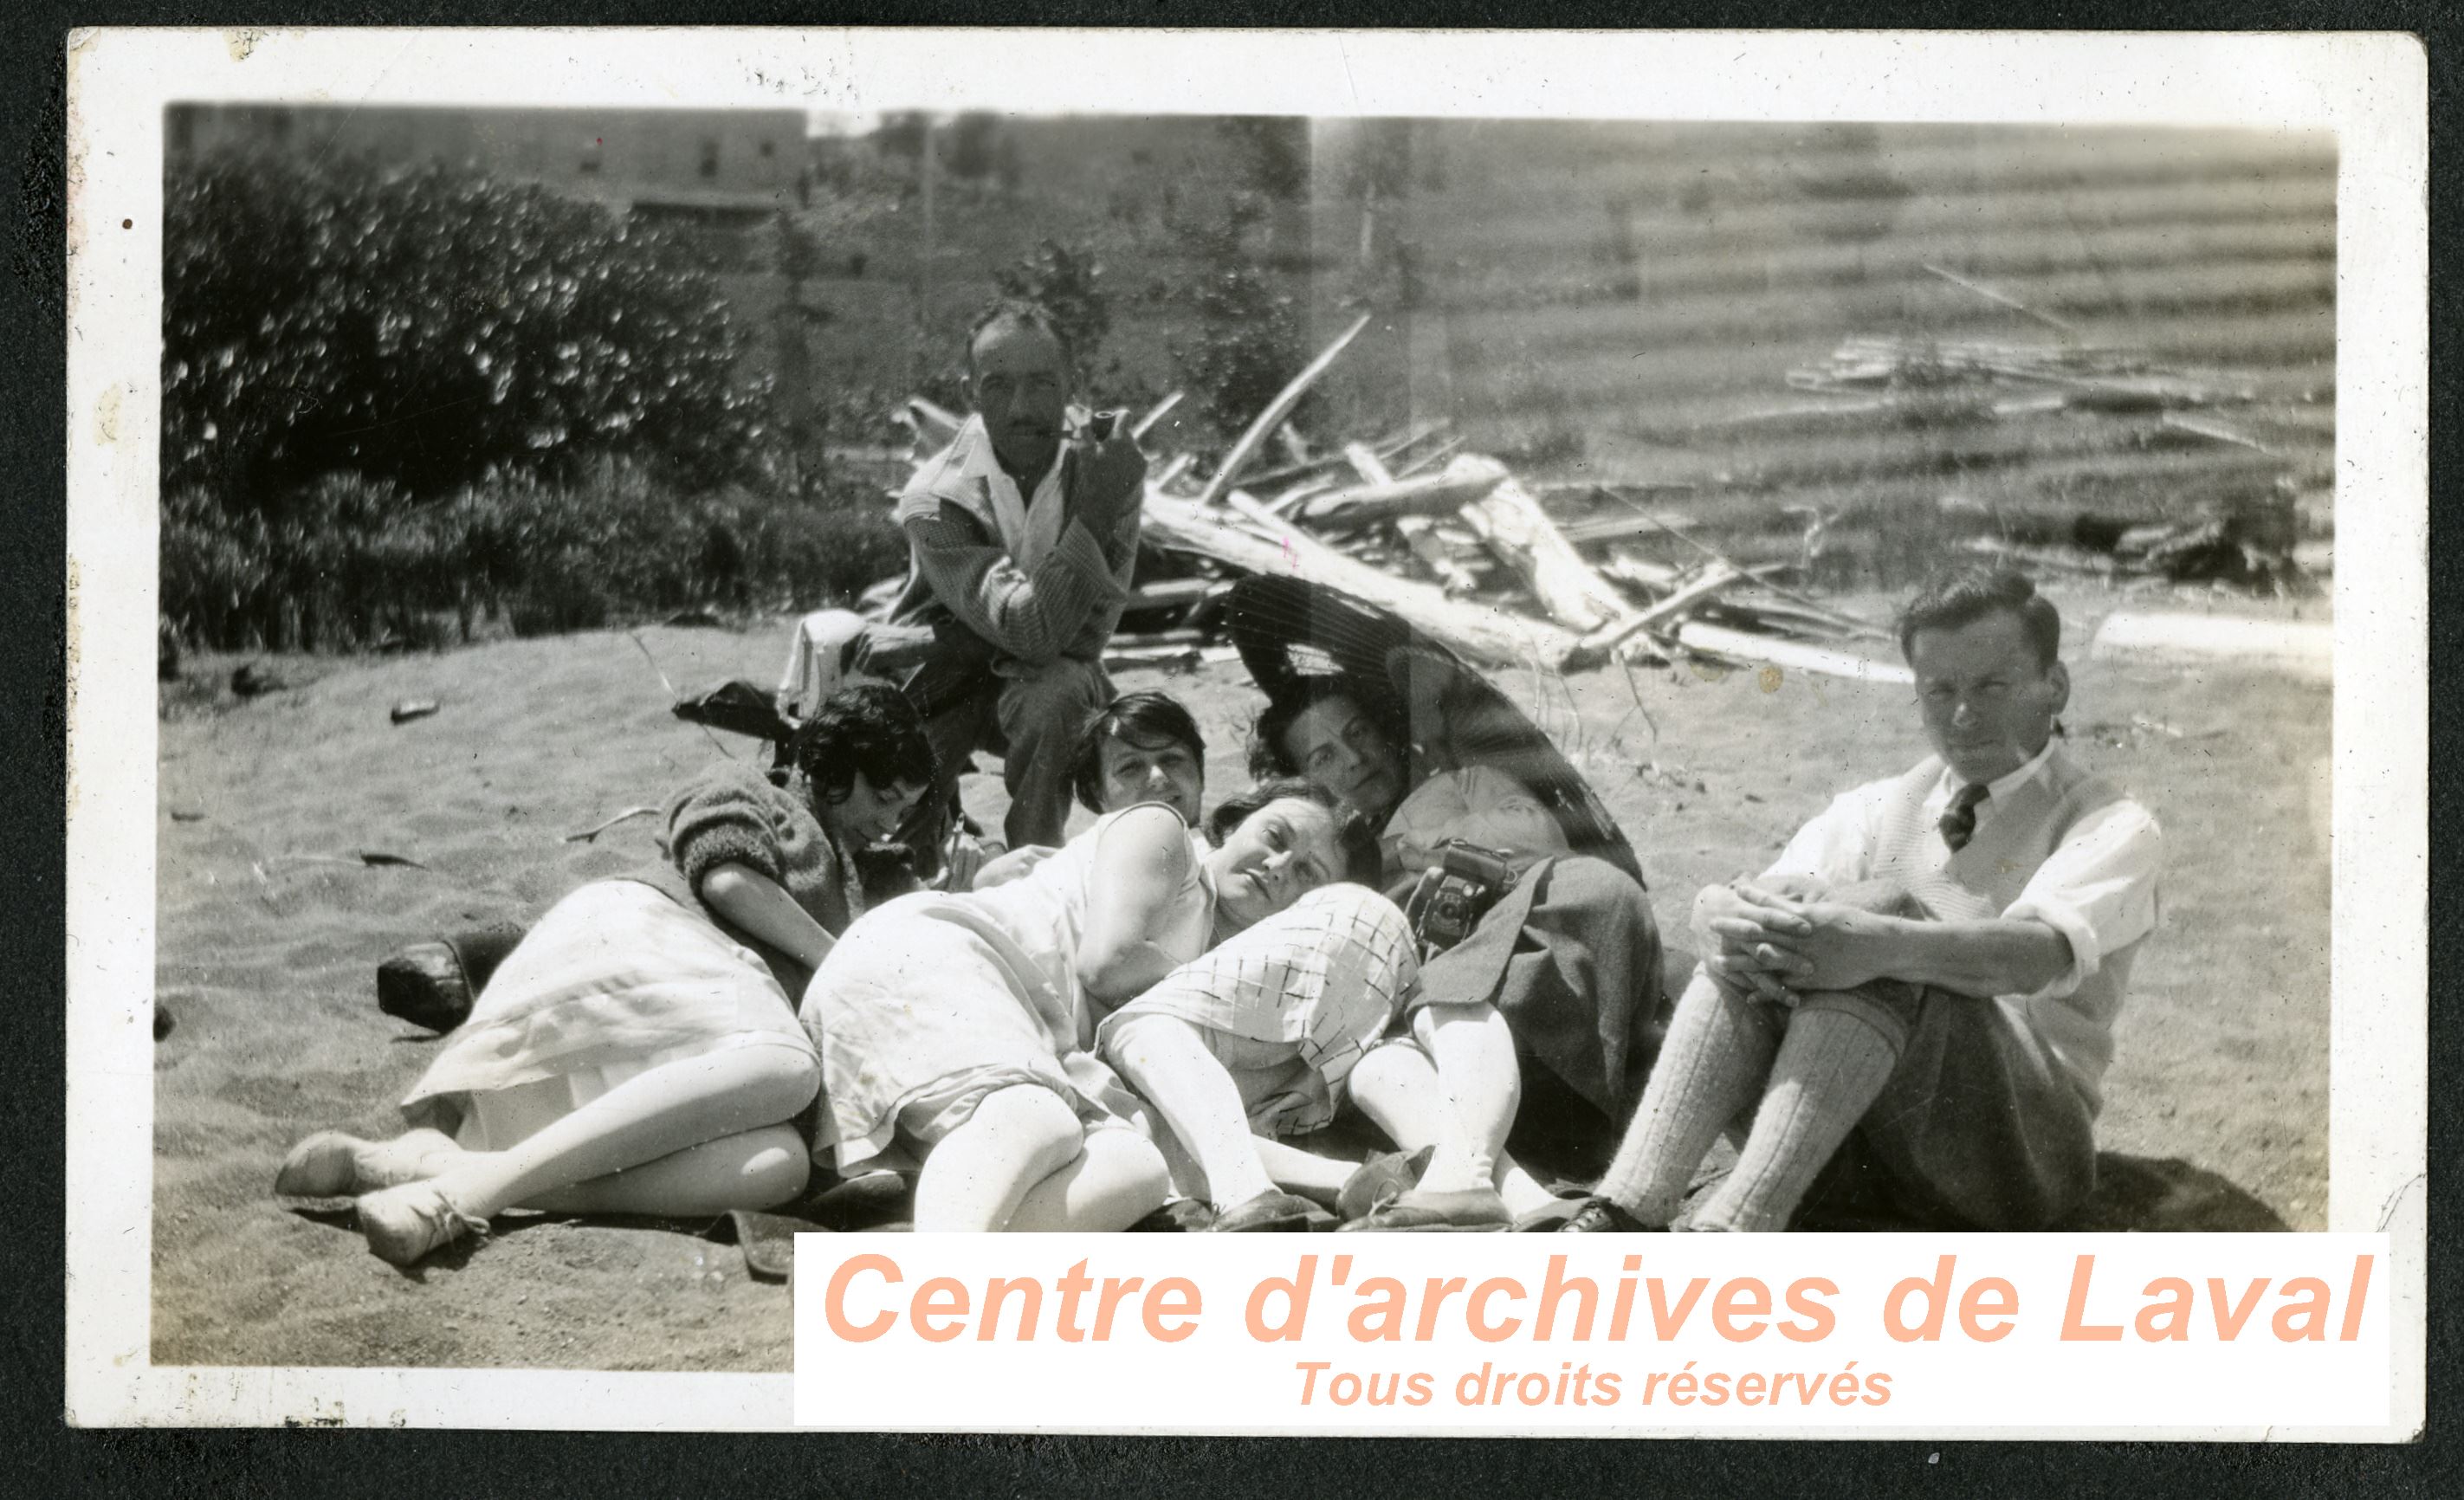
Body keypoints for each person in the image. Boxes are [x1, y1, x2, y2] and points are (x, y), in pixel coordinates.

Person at [1562, 566, 2162, 1233]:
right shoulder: (1878, 804)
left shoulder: (2106, 821)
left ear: (2053, 686)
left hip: (2019, 1157)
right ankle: (1624, 1210)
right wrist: (1720, 912)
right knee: (1774, 926)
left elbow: (2029, 958)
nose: (1963, 714)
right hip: (1855, 1141)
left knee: (1879, 913)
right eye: (1939, 690)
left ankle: (1732, 1229)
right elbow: (1773, 900)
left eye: (1991, 685)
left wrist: (1874, 943)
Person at [274, 684, 938, 1266]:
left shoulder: (858, 880)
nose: (892, 819)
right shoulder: (753, 789)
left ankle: (445, 1171)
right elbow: (726, 876)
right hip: (649, 943)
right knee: (787, 1068)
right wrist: (841, 958)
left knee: (776, 1168)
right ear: (834, 770)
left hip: (687, 1049)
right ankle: (462, 1196)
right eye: (882, 796)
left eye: (905, 806)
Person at [802, 780, 1407, 1233]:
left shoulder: (1226, 971)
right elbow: (1107, 962)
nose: (1277, 867)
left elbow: (1185, 1133)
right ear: (1237, 819)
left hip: (1013, 1048)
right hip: (944, 955)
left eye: (1306, 872)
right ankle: (939, 1296)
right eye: (1274, 838)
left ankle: (934, 1260)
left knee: (1134, 1167)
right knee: (1035, 1115)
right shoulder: (1165, 838)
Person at [1251, 663, 1665, 1221]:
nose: (1353, 759)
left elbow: (1536, 836)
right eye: (1322, 756)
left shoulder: (1459, 784)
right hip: (1404, 1003)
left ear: (1385, 730)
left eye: (1358, 733)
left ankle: (1475, 1171)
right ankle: (1502, 1187)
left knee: (1594, 889)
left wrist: (1415, 844)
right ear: (1300, 777)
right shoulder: (1318, 850)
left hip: (1519, 944)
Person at [857, 297, 1148, 880]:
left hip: (1032, 682)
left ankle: (1033, 866)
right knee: (897, 859)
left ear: (1071, 385)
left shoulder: (1107, 464)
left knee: (1061, 690)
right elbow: (1034, 632)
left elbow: (1086, 637)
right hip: (942, 688)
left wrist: (938, 641)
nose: (1020, 410)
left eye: (1042, 385)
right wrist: (1091, 517)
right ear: (970, 394)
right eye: (997, 387)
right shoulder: (935, 495)